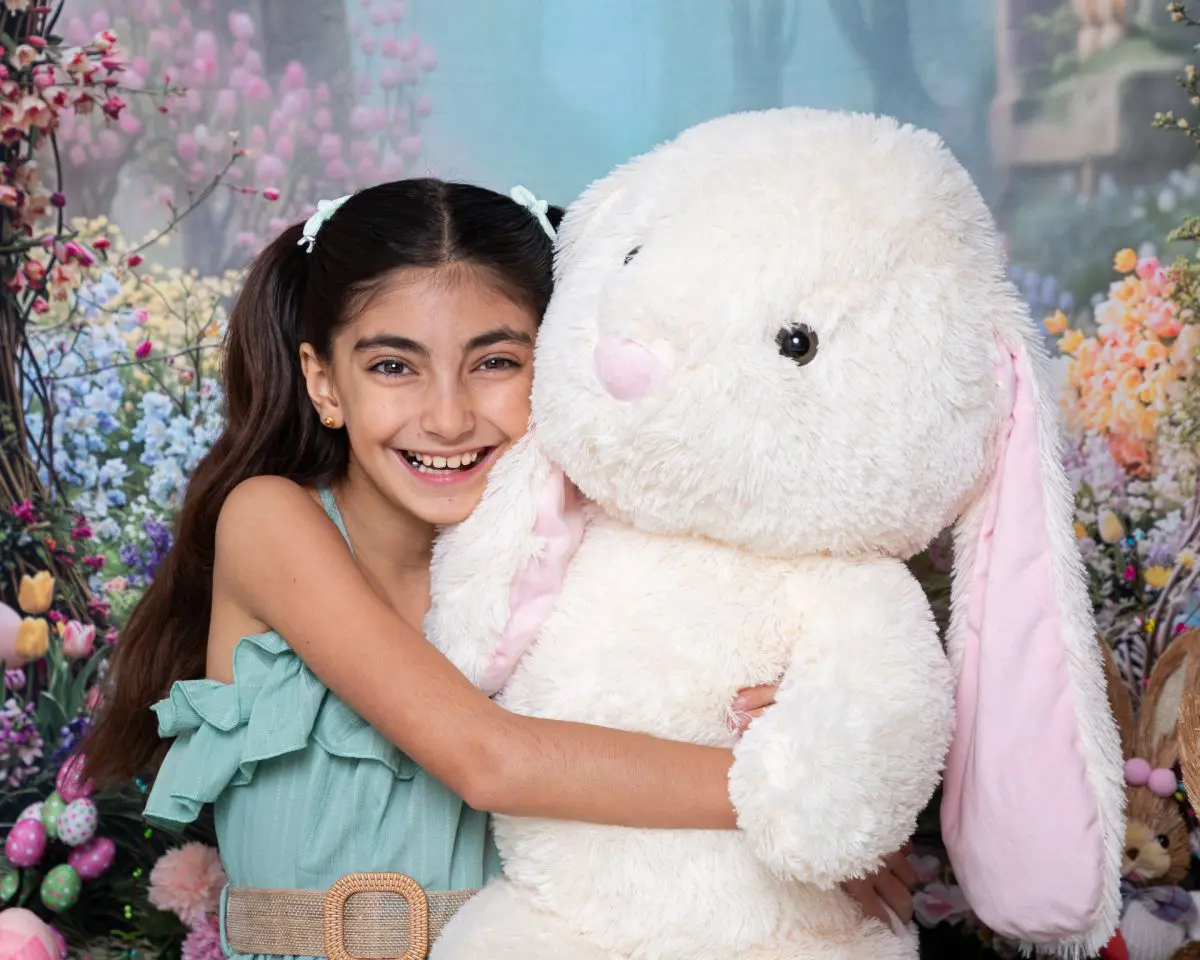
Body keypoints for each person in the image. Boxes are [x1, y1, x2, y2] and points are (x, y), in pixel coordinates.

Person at [82, 179, 916, 955]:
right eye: (392, 366)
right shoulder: (272, 520)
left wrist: (800, 728)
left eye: (495, 362)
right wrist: (798, 791)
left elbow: (687, 731)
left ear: (554, 365)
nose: (447, 417)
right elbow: (490, 759)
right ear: (322, 382)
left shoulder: (598, 562)